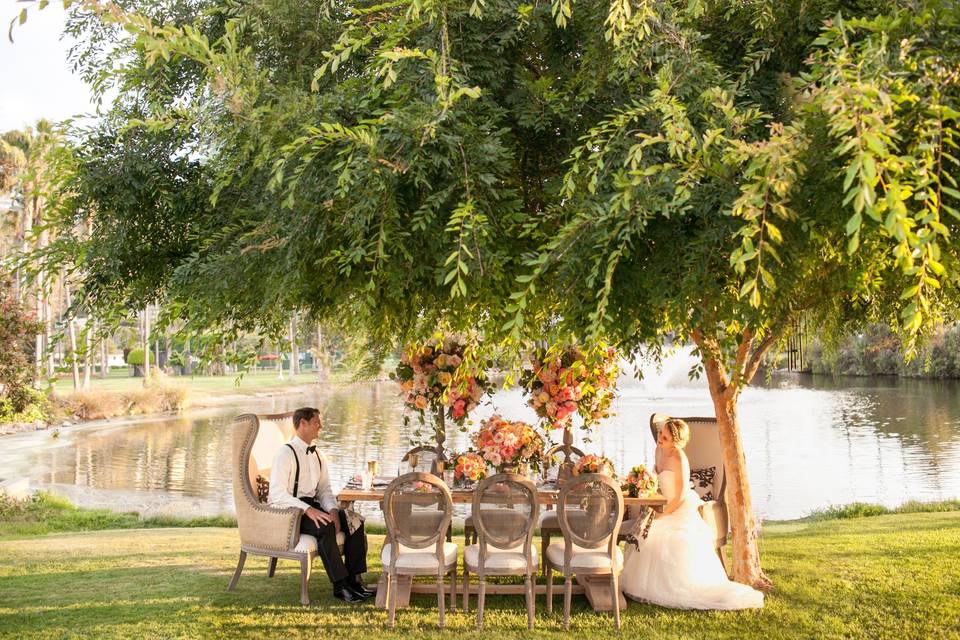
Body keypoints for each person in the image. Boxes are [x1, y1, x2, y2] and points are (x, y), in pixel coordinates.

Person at [619, 418, 764, 610]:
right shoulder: (658, 450)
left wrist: (663, 515)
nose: (660, 439)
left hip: (678, 506)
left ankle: (673, 588)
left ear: (676, 442)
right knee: (644, 531)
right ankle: (640, 585)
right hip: (661, 502)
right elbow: (657, 479)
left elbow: (679, 496)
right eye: (661, 434)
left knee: (664, 536)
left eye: (665, 437)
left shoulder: (680, 459)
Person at [268, 407, 372, 603]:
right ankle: (340, 587)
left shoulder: (318, 455)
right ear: (303, 424)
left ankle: (355, 580)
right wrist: (308, 510)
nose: (321, 426)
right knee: (324, 526)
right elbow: (277, 494)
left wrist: (332, 510)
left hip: (313, 506)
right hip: (290, 511)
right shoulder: (285, 453)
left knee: (354, 521)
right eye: (317, 422)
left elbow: (324, 490)